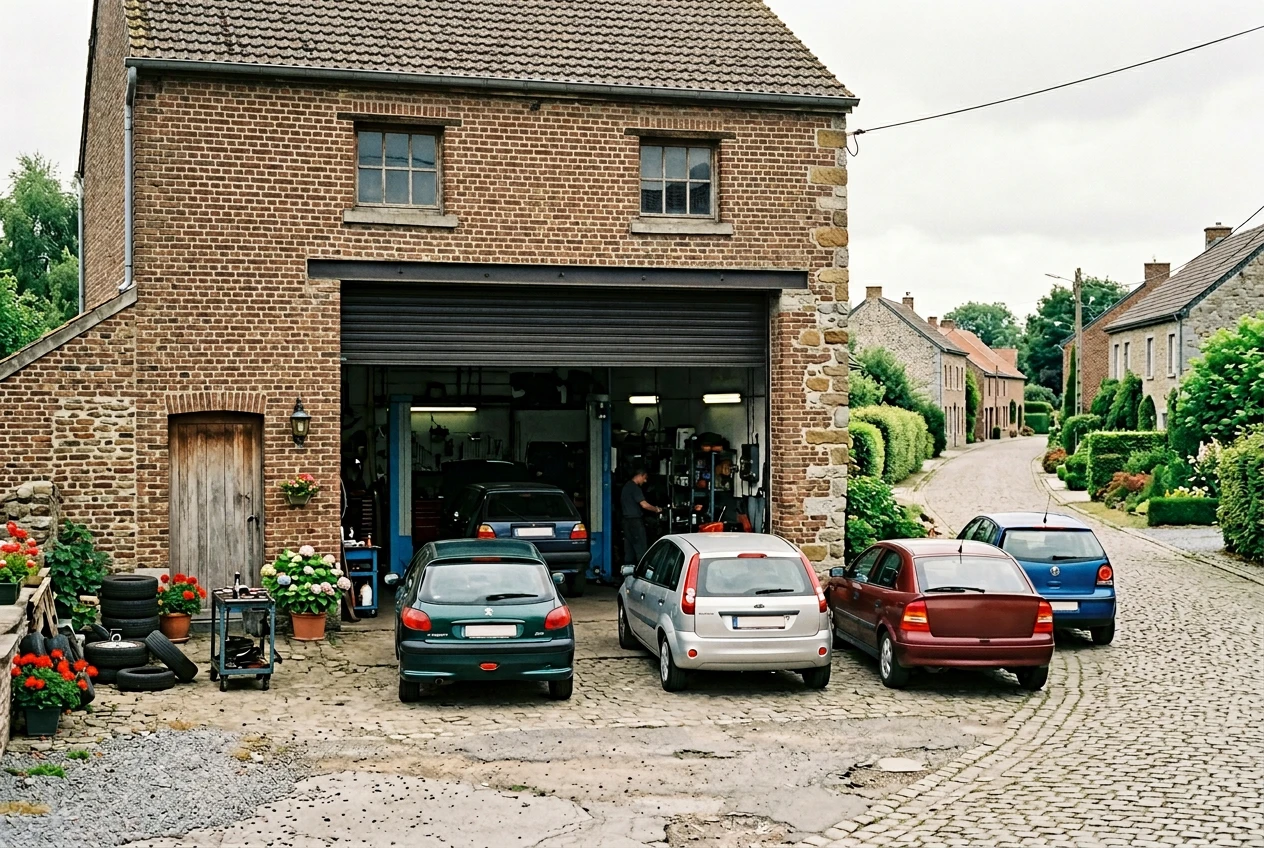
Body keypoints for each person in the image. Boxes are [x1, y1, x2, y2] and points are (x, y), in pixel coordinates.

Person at [620, 466, 661, 566]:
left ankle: (628, 573)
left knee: (629, 549)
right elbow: (644, 505)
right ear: (640, 475)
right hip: (635, 522)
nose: (645, 481)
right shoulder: (635, 488)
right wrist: (657, 509)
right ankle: (642, 571)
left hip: (626, 522)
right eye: (645, 477)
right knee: (641, 548)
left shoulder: (626, 487)